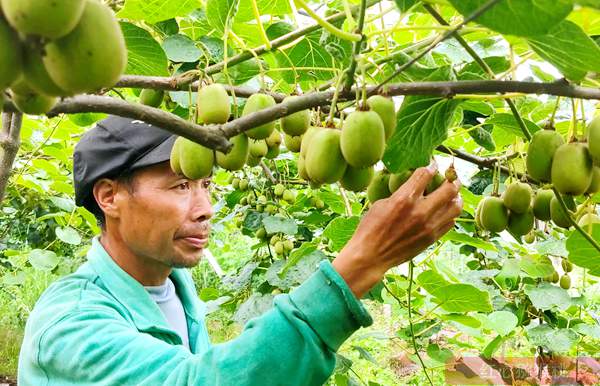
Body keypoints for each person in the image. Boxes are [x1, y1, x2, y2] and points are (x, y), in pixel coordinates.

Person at [18, 116, 462, 385]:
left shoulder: (172, 287)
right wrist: (362, 263)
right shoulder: (70, 324)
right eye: (179, 186)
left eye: (205, 184)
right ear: (109, 197)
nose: (206, 209)